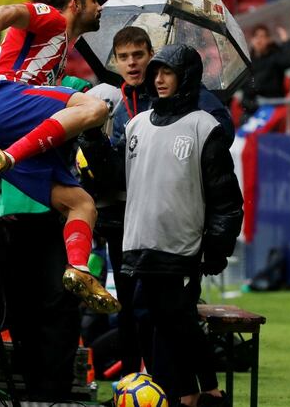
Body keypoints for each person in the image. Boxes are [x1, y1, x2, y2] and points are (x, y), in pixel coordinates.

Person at [0, 0, 119, 315]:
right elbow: (11, 10)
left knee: (82, 205)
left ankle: (79, 269)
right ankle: (11, 157)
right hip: (2, 98)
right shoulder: (52, 18)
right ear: (74, 3)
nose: (100, 7)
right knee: (96, 106)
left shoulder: (57, 56)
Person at [121, 44, 243, 405]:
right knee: (152, 321)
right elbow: (118, 175)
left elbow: (226, 198)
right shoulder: (136, 124)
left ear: (185, 76)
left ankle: (209, 392)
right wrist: (94, 143)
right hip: (140, 242)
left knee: (179, 322)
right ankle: (191, 392)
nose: (158, 79)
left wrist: (217, 247)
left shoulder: (205, 127)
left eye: (168, 72)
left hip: (182, 245)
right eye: (155, 71)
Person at [240, 24, 290, 121]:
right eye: (256, 36)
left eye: (262, 36)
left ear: (268, 40)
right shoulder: (247, 61)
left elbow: (289, 60)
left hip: (271, 109)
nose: (259, 40)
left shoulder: (275, 57)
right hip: (250, 110)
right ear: (251, 40)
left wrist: (286, 42)